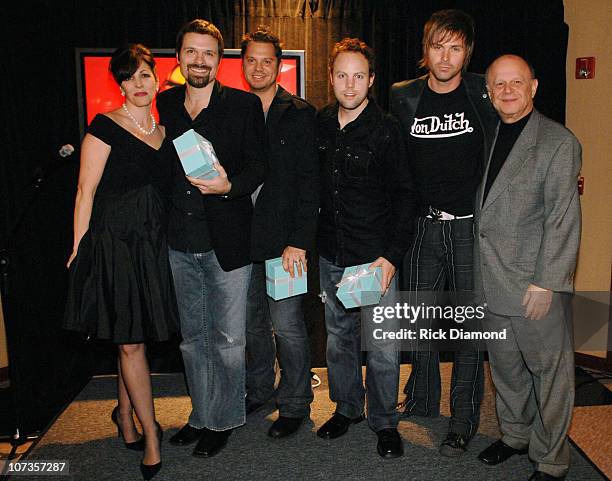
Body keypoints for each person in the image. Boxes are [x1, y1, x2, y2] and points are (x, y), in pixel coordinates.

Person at [64, 44, 178, 480]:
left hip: (154, 244)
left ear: (156, 77)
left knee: (132, 335)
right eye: (129, 78)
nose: (138, 84)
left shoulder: (165, 130)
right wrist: (79, 249)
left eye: (145, 75)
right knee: (130, 341)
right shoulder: (104, 127)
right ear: (120, 83)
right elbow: (84, 193)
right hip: (115, 244)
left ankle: (124, 416)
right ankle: (152, 434)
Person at [389, 9, 497, 456]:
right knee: (420, 323)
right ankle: (422, 399)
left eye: (456, 47)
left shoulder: (482, 92)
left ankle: (464, 418)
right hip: (422, 228)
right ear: (425, 50)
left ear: (467, 51)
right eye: (438, 46)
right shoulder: (402, 96)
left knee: (471, 331)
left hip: (470, 229)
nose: (446, 56)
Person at [156, 19, 266, 458]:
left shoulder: (243, 106)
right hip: (179, 241)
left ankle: (222, 420)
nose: (199, 60)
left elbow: (259, 167)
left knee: (227, 340)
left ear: (220, 61)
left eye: (208, 53)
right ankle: (200, 414)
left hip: (229, 242)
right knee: (192, 338)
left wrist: (228, 187)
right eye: (191, 52)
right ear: (179, 57)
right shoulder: (164, 105)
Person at [475, 54, 581, 481]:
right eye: (498, 84)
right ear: (489, 91)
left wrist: (546, 283)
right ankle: (516, 436)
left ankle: (553, 460)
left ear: (533, 87)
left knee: (550, 376)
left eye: (515, 82)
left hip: (533, 286)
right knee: (506, 371)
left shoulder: (558, 142)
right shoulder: (490, 134)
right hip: (491, 280)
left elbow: (563, 218)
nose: (506, 91)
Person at [316, 38, 415, 459]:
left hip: (373, 259)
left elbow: (406, 198)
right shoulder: (319, 124)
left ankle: (385, 421)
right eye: (342, 75)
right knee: (338, 340)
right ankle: (347, 408)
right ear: (331, 78)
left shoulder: (387, 130)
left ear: (371, 80)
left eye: (359, 76)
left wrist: (390, 257)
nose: (350, 84)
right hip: (331, 255)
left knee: (383, 346)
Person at [240, 26, 318, 438]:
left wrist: (300, 242)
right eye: (251, 59)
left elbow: (311, 184)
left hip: (286, 246)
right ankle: (259, 391)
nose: (258, 67)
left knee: (287, 326)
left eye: (266, 60)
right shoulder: (232, 110)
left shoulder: (301, 114)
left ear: (279, 66)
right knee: (252, 327)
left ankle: (295, 403)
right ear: (242, 64)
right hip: (241, 244)